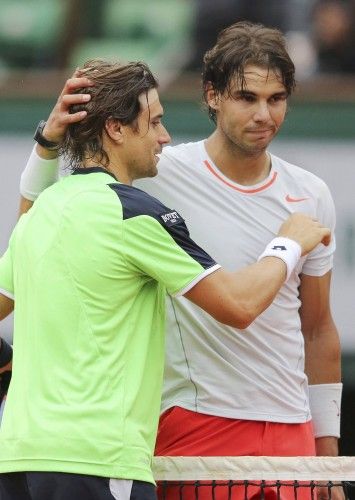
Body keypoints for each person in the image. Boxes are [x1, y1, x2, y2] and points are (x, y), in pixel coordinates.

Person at [14, 21, 342, 499]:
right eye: (246, 97)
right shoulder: (151, 176)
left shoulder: (312, 194)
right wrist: (45, 144)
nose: (263, 114)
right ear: (212, 96)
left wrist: (327, 460)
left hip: (293, 428)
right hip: (196, 425)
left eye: (276, 99)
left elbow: (317, 329)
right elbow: (41, 222)